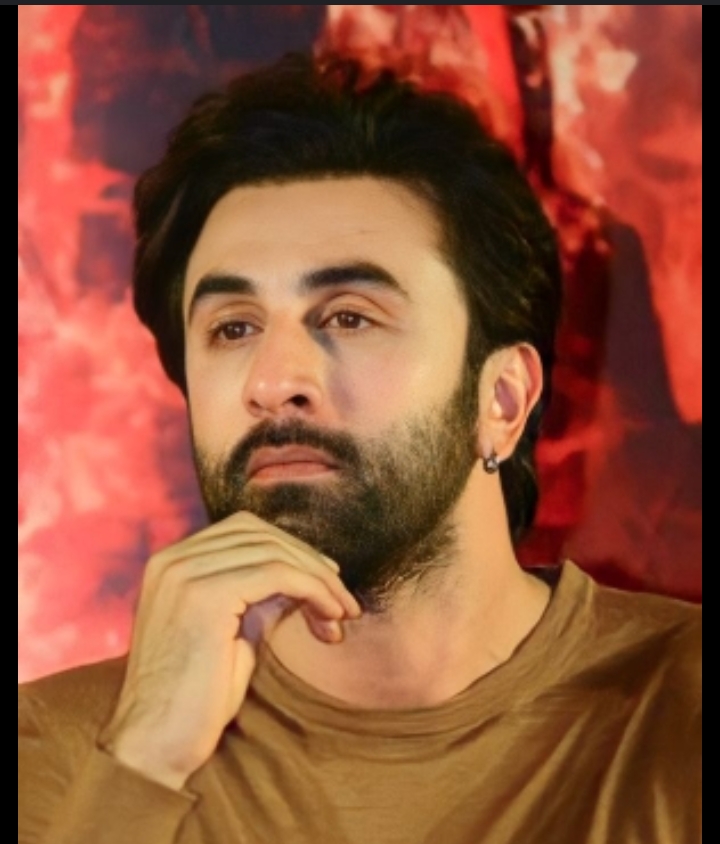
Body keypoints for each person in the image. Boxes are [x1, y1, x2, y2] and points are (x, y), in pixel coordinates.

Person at [18, 50, 701, 844]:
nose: (274, 382)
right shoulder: (57, 753)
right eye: (233, 328)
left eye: (349, 316)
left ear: (503, 400)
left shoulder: (679, 709)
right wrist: (141, 765)